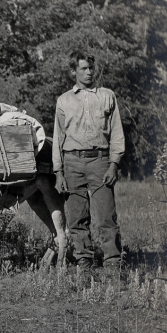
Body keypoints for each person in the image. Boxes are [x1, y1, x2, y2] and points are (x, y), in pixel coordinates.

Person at [52, 51, 125, 269]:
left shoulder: (107, 96)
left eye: (91, 68)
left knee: (106, 217)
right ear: (73, 71)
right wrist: (58, 172)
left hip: (100, 161)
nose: (89, 72)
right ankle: (84, 262)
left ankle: (113, 264)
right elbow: (58, 137)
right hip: (72, 162)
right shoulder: (64, 100)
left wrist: (114, 164)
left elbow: (117, 133)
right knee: (77, 218)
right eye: (83, 68)